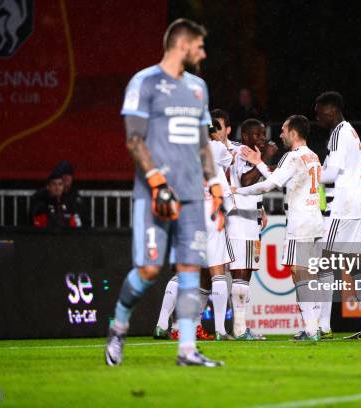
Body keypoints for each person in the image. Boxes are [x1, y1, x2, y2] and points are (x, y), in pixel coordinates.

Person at [105, 18, 226, 367]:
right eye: (200, 46)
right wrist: (158, 183)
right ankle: (119, 325)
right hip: (154, 194)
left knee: (191, 270)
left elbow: (204, 144)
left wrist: (215, 184)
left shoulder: (199, 88)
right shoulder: (144, 82)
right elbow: (134, 139)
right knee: (147, 271)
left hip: (191, 197)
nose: (203, 53)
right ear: (183, 45)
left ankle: (187, 349)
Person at [232, 115, 323, 340]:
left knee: (299, 274)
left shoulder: (292, 157)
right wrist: (260, 163)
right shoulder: (313, 155)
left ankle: (312, 328)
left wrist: (237, 191)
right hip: (314, 220)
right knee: (305, 273)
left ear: (293, 133)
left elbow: (269, 184)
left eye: (283, 130)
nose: (280, 134)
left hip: (299, 222)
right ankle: (312, 326)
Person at [153, 111, 236, 341]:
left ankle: (161, 325)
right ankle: (220, 330)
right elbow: (228, 159)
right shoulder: (215, 149)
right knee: (217, 272)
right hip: (209, 212)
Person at [315, 91, 361, 340]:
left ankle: (323, 327)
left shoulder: (338, 134)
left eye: (319, 113)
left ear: (331, 110)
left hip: (342, 207)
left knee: (324, 262)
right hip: (357, 206)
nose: (317, 118)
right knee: (355, 266)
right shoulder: (349, 131)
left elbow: (331, 174)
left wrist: (307, 175)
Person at [226, 118, 276, 340]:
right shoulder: (245, 152)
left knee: (245, 275)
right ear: (246, 136)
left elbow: (254, 186)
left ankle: (240, 327)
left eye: (264, 134)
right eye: (258, 134)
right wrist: (265, 158)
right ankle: (239, 329)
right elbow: (246, 182)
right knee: (240, 274)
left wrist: (260, 207)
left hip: (250, 222)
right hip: (240, 223)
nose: (262, 139)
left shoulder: (250, 153)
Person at [51, 160, 90, 227]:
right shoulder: (47, 196)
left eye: (69, 174)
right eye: (63, 174)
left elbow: (86, 222)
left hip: (74, 235)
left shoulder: (76, 197)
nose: (66, 177)